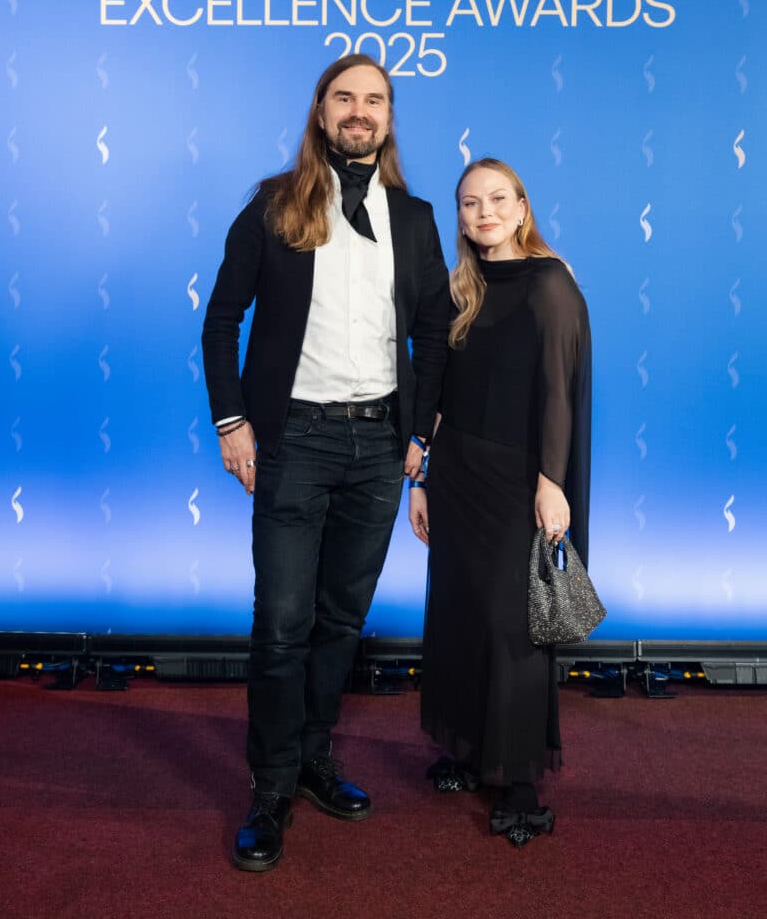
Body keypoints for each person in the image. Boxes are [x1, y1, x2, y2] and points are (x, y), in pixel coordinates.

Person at [202, 54, 450, 871]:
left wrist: (421, 436)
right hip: (294, 442)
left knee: (342, 620)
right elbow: (222, 320)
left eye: (374, 99)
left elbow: (434, 332)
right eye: (345, 97)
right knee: (281, 624)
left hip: (380, 447)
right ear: (320, 111)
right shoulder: (274, 205)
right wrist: (233, 422)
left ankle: (313, 758)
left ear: (388, 117)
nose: (359, 110)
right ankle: (270, 786)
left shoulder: (414, 218)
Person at [409, 157, 591, 848]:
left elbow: (558, 392)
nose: (482, 212)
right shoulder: (460, 288)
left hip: (519, 481)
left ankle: (518, 780)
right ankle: (468, 750)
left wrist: (552, 482)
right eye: (469, 203)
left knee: (513, 625)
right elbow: (440, 391)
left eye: (496, 199)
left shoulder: (550, 282)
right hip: (457, 476)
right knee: (460, 614)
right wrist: (420, 480)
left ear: (521, 208)